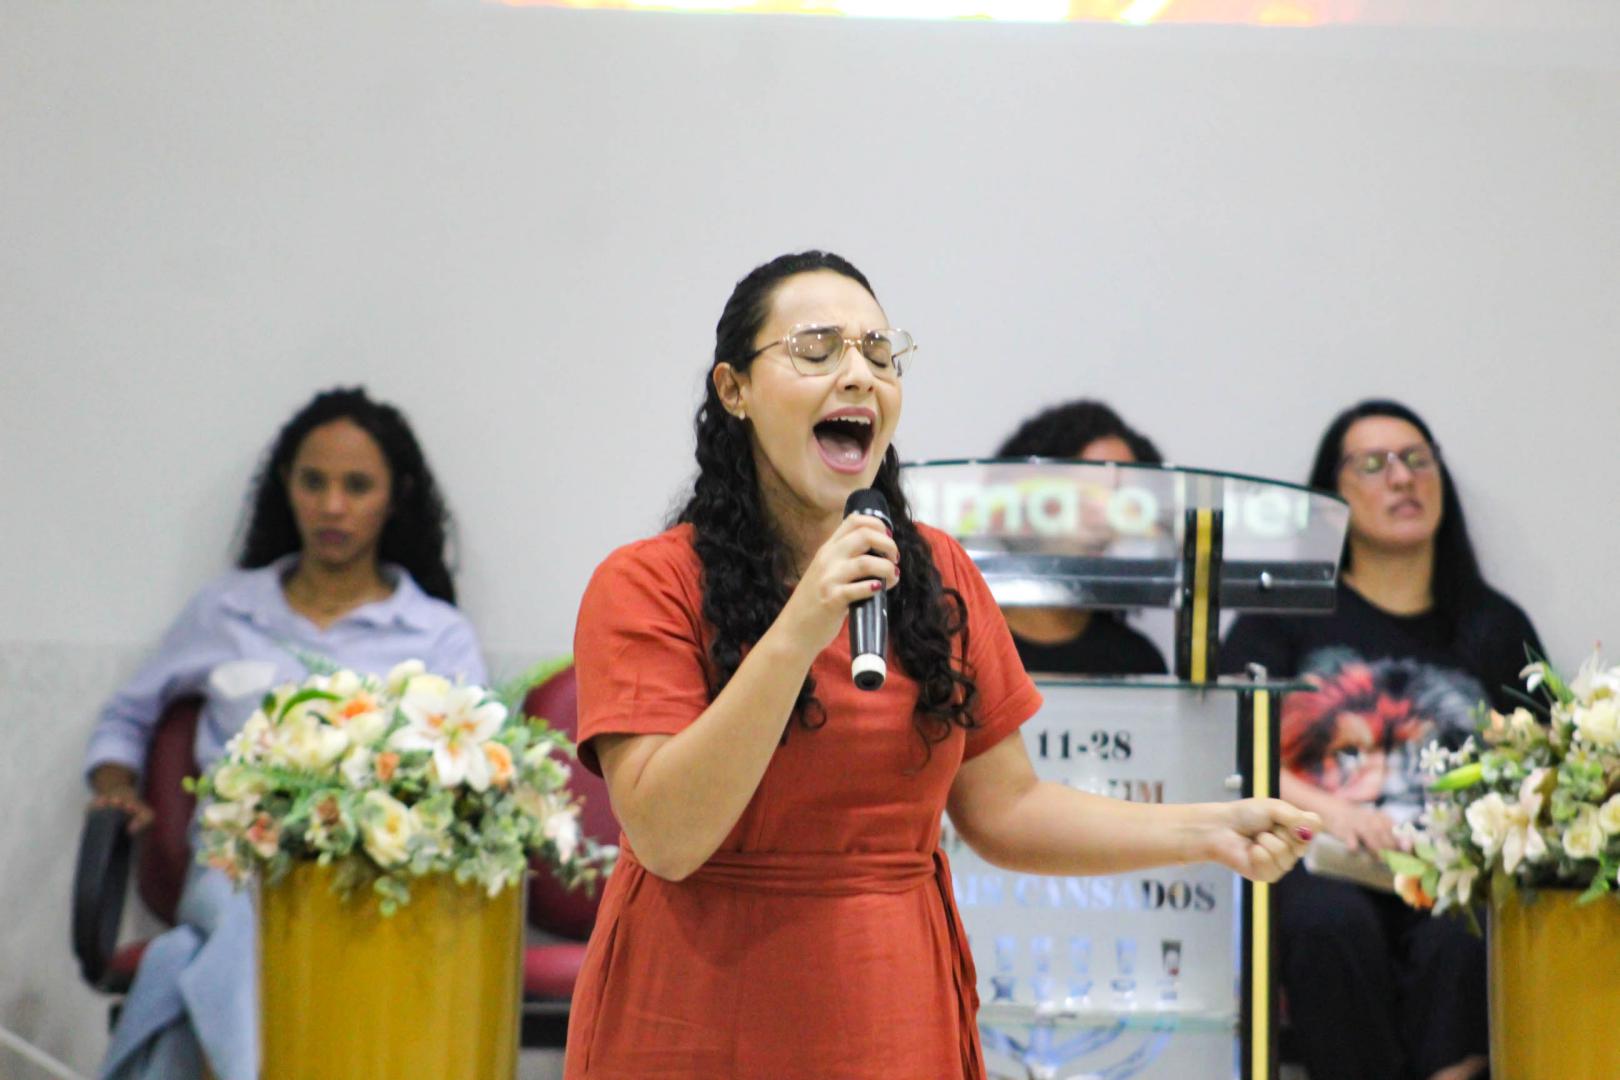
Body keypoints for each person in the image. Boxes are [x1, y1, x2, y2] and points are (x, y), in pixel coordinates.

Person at [564, 251, 1319, 1079]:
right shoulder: (646, 584)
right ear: (734, 388)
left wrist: (1207, 830)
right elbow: (668, 838)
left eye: (879, 353)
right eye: (817, 349)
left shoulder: (936, 575)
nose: (859, 375)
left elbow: (1007, 809)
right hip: (695, 1007)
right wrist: (802, 625)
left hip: (887, 1003)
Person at [88, 387, 486, 1080]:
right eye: (313, 482)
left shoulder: (436, 633)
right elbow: (126, 717)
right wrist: (116, 786)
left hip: (375, 876)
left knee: (188, 959)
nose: (332, 506)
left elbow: (478, 763)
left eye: (356, 486)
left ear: (394, 497)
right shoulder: (225, 611)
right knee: (253, 917)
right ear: (285, 487)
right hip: (234, 863)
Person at [1223, 399, 1542, 1080]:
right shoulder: (1283, 614)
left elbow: (1542, 761)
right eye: (1373, 464)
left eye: (1417, 460)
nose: (1402, 478)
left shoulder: (1493, 626)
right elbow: (1229, 743)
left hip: (1452, 871)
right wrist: (1332, 814)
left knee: (1467, 937)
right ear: (1332, 494)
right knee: (1327, 924)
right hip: (1319, 859)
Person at [994, 399, 1168, 676]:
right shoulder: (956, 644)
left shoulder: (1136, 660)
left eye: (1123, 502)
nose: (1105, 517)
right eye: (1088, 492)